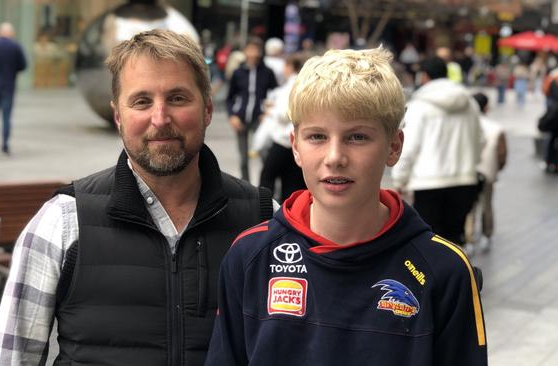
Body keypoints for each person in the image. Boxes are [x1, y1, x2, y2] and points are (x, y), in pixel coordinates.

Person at [0, 29, 274, 365]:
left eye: (178, 98)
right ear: (118, 115)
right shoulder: (63, 223)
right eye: (142, 101)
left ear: (207, 109)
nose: (160, 118)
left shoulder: (264, 221)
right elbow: (13, 357)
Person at [205, 47, 488, 365]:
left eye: (357, 137)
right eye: (317, 137)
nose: (335, 157)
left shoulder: (445, 272)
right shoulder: (249, 256)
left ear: (394, 147)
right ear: (295, 146)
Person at [391, 56, 483, 250]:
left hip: (429, 183)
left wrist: (400, 179)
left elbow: (409, 146)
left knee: (431, 244)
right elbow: (480, 139)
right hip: (464, 181)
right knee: (455, 243)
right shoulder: (470, 103)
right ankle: (457, 279)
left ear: (424, 76)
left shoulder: (420, 107)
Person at [226, 37, 278, 181]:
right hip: (240, 118)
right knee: (243, 159)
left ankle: (265, 188)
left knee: (264, 154)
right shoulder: (238, 73)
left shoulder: (268, 72)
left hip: (260, 119)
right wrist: (232, 116)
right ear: (245, 51)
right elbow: (229, 98)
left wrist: (268, 113)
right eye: (250, 49)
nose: (253, 53)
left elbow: (275, 95)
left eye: (256, 50)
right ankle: (245, 186)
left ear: (261, 52)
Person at [257, 53, 307, 202]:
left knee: (267, 177)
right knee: (291, 181)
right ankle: (291, 213)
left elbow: (286, 113)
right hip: (294, 140)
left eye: (286, 66)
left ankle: (264, 210)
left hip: (282, 140)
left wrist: (270, 111)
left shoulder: (292, 85)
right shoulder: (303, 83)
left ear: (291, 67)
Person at [466, 93, 507, 252]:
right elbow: (502, 154)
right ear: (486, 107)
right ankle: (486, 234)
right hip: (488, 171)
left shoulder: (467, 125)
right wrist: (497, 168)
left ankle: (469, 237)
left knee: (470, 206)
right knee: (487, 204)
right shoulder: (496, 128)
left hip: (469, 171)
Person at [0, 22, 27, 154]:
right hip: (8, 86)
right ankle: (5, 145)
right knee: (6, 117)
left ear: (0, 32)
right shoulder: (15, 47)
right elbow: (23, 65)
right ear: (11, 33)